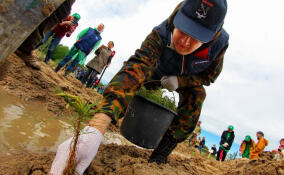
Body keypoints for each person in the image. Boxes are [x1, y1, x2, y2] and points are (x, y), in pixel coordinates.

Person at [50, 0, 229, 174]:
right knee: (132, 79)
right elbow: (137, 65)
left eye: (197, 37)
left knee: (197, 95)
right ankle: (95, 132)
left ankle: (160, 154)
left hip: (186, 79)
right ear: (178, 17)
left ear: (212, 37)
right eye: (184, 29)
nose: (185, 42)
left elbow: (209, 76)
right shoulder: (162, 32)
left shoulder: (219, 45)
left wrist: (180, 82)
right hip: (155, 70)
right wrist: (96, 128)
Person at [15, 0, 76, 70]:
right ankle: (25, 47)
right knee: (62, 9)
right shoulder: (68, 17)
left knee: (63, 10)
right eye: (75, 18)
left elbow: (68, 35)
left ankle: (26, 46)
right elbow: (59, 24)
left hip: (59, 35)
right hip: (54, 29)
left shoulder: (74, 26)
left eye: (77, 19)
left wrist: (70, 31)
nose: (75, 20)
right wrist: (66, 23)